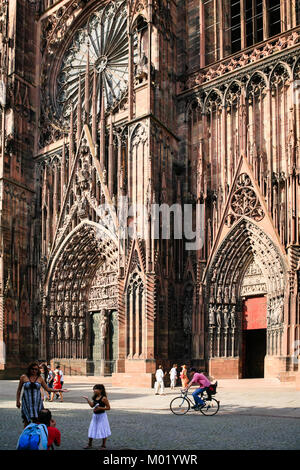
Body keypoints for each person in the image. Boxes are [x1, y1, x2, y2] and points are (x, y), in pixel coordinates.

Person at [16, 362, 68, 427]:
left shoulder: (40, 378)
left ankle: (36, 435)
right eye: (32, 369)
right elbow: (19, 390)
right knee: (26, 420)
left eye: (36, 369)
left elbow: (48, 389)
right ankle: (26, 435)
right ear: (29, 369)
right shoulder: (23, 377)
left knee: (37, 421)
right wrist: (17, 401)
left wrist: (59, 390)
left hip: (37, 403)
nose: (34, 371)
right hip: (27, 402)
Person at [82, 384, 111, 450]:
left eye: (96, 389)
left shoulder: (104, 398)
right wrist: (87, 400)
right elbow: (92, 405)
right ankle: (89, 444)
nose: (94, 391)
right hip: (95, 416)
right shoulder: (95, 397)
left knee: (103, 429)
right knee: (92, 428)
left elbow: (108, 408)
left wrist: (100, 408)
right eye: (93, 389)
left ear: (100, 390)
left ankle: (103, 445)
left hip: (102, 416)